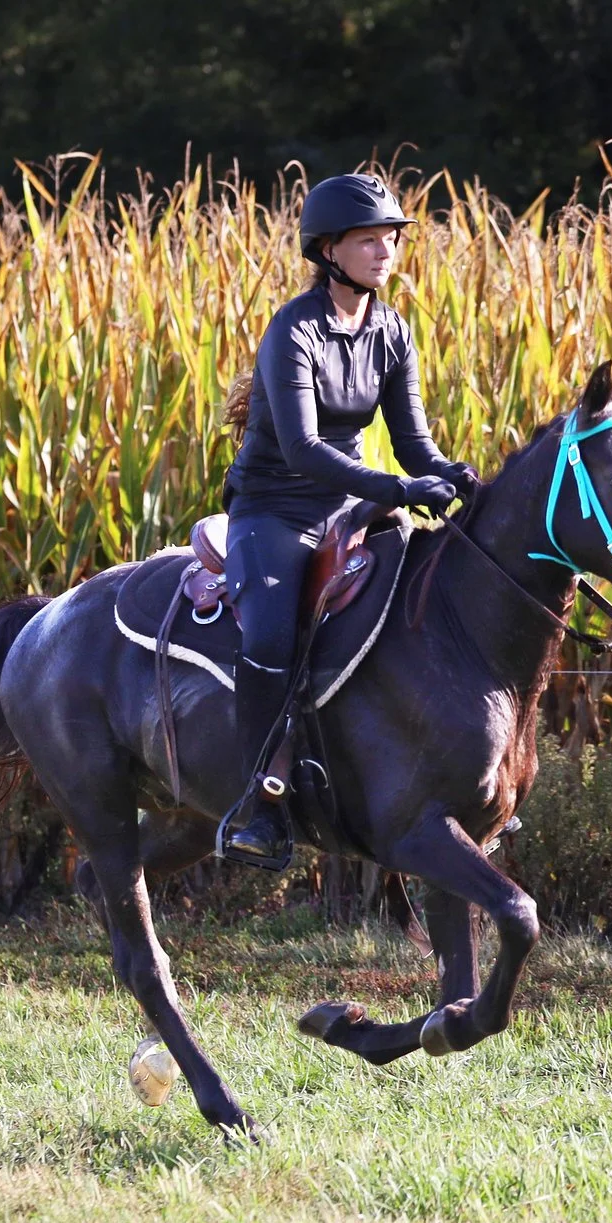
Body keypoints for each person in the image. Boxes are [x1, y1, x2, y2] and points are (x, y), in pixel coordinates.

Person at [216, 172, 479, 868]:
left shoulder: (391, 329)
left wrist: (451, 474)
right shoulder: (292, 330)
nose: (385, 252)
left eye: (390, 239)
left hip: (351, 505)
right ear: (328, 247)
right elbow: (303, 451)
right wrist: (397, 485)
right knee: (271, 634)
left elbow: (416, 442)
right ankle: (256, 806)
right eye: (369, 240)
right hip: (274, 509)